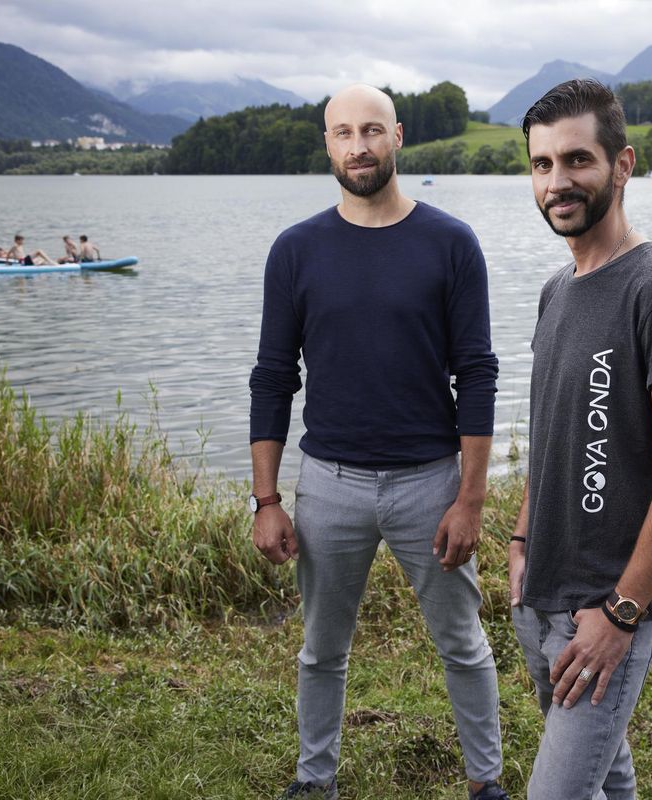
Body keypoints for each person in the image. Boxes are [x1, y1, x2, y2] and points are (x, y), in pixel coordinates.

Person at [249, 83, 508, 800]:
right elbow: (272, 378)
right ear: (326, 144)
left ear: (398, 136)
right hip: (328, 484)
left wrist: (471, 496)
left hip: (432, 482)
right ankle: (314, 782)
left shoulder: (451, 243)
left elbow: (478, 375)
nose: (357, 146)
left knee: (463, 644)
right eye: (342, 133)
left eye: (371, 130)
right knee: (321, 652)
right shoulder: (295, 250)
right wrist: (266, 498)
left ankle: (485, 783)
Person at [508, 78, 652, 800]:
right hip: (541, 593)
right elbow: (553, 437)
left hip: (608, 605)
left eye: (577, 161)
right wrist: (520, 543)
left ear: (622, 165)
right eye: (541, 165)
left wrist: (623, 612)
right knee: (605, 776)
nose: (558, 182)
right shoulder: (556, 290)